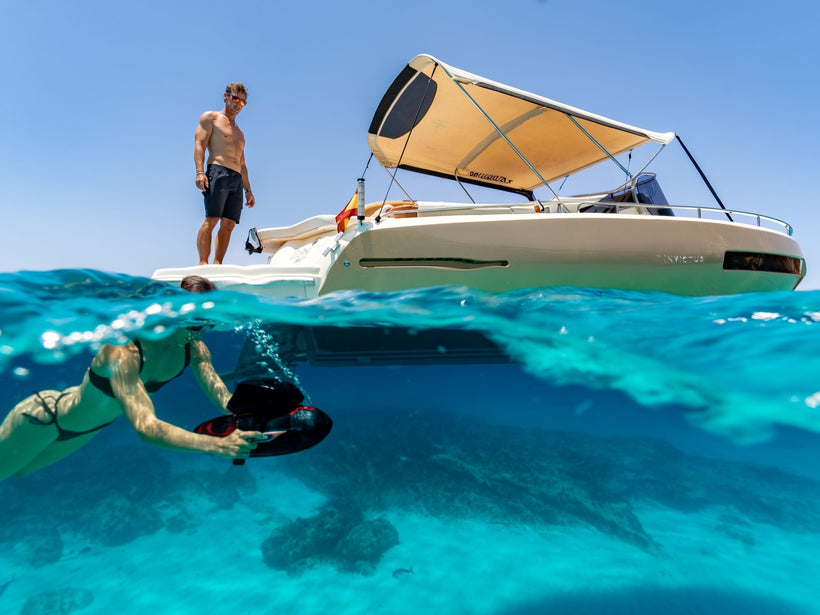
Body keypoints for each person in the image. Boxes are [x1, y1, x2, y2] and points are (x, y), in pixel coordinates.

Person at [0, 275, 262, 481]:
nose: (202, 331)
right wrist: (217, 445)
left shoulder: (195, 350)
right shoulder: (124, 349)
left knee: (20, 472)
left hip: (83, 431)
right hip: (44, 418)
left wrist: (254, 417)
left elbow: (222, 396)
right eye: (197, 322)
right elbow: (146, 428)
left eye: (209, 322)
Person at [194, 82, 255, 265]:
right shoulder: (211, 117)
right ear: (225, 96)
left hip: (236, 178)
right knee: (212, 219)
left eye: (243, 102)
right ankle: (203, 262)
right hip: (217, 171)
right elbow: (200, 145)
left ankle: (217, 263)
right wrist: (199, 172)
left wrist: (248, 190)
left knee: (228, 224)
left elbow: (242, 163)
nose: (238, 104)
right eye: (235, 98)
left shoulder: (240, 132)